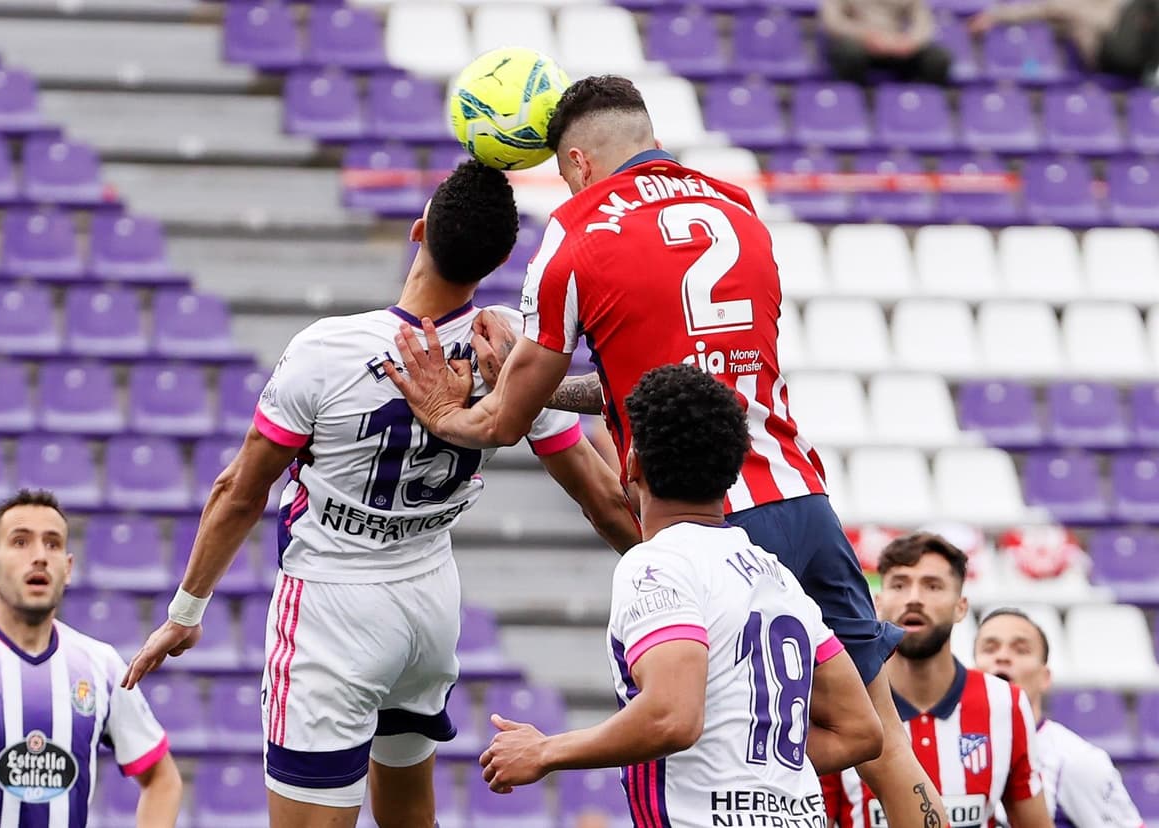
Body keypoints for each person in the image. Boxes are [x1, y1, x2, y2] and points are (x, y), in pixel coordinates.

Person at [387, 74, 948, 828]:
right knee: (884, 747)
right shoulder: (738, 208)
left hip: (709, 522)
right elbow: (678, 376)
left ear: (578, 162)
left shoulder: (577, 231)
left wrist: (447, 410)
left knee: (681, 738)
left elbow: (503, 422)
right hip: (801, 497)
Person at [121, 160, 640, 828]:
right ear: (499, 260)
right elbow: (601, 498)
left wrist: (186, 612)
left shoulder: (327, 350)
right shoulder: (508, 344)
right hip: (429, 602)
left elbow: (239, 491)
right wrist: (685, 565)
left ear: (419, 231)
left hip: (334, 606)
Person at [481, 364, 884, 827]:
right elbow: (860, 730)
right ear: (731, 473)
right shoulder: (775, 574)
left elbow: (673, 718)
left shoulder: (658, 564)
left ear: (631, 463)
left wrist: (546, 751)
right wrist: (744, 762)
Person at [0, 489, 182, 827]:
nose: (39, 556)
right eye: (20, 542)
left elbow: (163, 780)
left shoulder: (101, 667)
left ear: (67, 568)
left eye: (52, 544)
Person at [821, 534, 1052, 828]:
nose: (914, 598)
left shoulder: (1006, 703)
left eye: (932, 586)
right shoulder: (843, 703)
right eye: (900, 584)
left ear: (961, 606)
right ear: (877, 603)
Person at [973, 608, 1144, 828]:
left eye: (1021, 650)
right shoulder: (945, 747)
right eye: (990, 648)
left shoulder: (1077, 761)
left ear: (1045, 678)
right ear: (972, 671)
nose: (1003, 657)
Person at [969, 0, 1159, 84]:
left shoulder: (1121, 5)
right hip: (1107, 54)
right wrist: (995, 16)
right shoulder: (1070, 4)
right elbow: (1037, 9)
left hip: (1137, 54)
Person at [819, 0, 953, 85]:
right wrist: (865, 35)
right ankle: (852, 105)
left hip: (897, 44)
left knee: (938, 59)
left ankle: (915, 103)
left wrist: (910, 41)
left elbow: (924, 22)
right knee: (849, 53)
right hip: (860, 43)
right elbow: (832, 22)